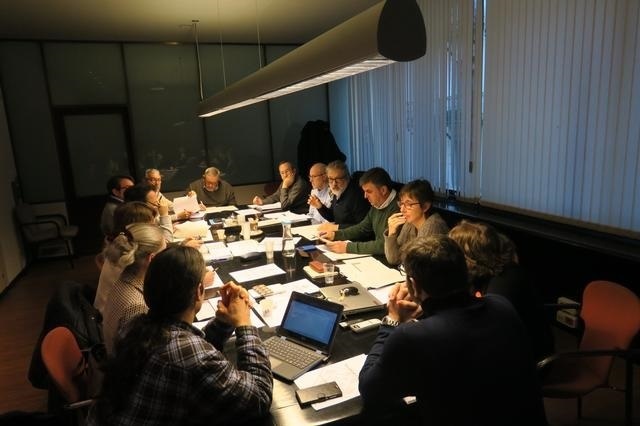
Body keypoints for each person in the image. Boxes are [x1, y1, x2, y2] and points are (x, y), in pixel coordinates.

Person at [358, 235, 547, 426]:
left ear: (413, 285)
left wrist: (392, 321)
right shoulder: (502, 305)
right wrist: (428, 310)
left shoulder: (412, 337)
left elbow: (370, 390)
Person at [87, 246, 273, 425]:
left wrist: (224, 322)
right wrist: (244, 324)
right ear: (199, 291)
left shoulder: (135, 326)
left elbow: (190, 355)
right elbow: (259, 397)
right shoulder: (189, 354)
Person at [448, 220, 554, 361]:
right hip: (507, 350)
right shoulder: (493, 272)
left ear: (470, 256)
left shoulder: (503, 286)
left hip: (527, 362)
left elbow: (483, 334)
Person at [102, 223, 166, 353]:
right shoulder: (137, 307)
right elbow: (138, 356)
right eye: (165, 252)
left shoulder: (124, 279)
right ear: (152, 258)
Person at [94, 202, 157, 314]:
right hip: (116, 315)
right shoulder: (128, 256)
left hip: (116, 310)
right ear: (137, 227)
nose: (156, 229)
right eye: (152, 225)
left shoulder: (122, 245)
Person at [320, 167, 399, 255]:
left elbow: (383, 245)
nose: (365, 196)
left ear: (383, 190)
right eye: (364, 192)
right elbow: (362, 228)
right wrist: (335, 235)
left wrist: (347, 247)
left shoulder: (399, 208)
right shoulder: (378, 204)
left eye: (369, 191)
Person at [384, 179, 449, 265]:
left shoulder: (433, 225)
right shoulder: (410, 223)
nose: (402, 209)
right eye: (402, 203)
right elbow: (394, 259)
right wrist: (391, 234)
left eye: (409, 204)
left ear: (425, 206)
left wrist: (403, 255)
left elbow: (420, 264)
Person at [314, 160, 369, 230]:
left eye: (338, 179)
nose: (334, 184)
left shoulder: (357, 196)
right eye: (331, 179)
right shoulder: (339, 190)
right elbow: (334, 217)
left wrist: (336, 227)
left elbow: (363, 226)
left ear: (347, 177)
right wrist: (320, 207)